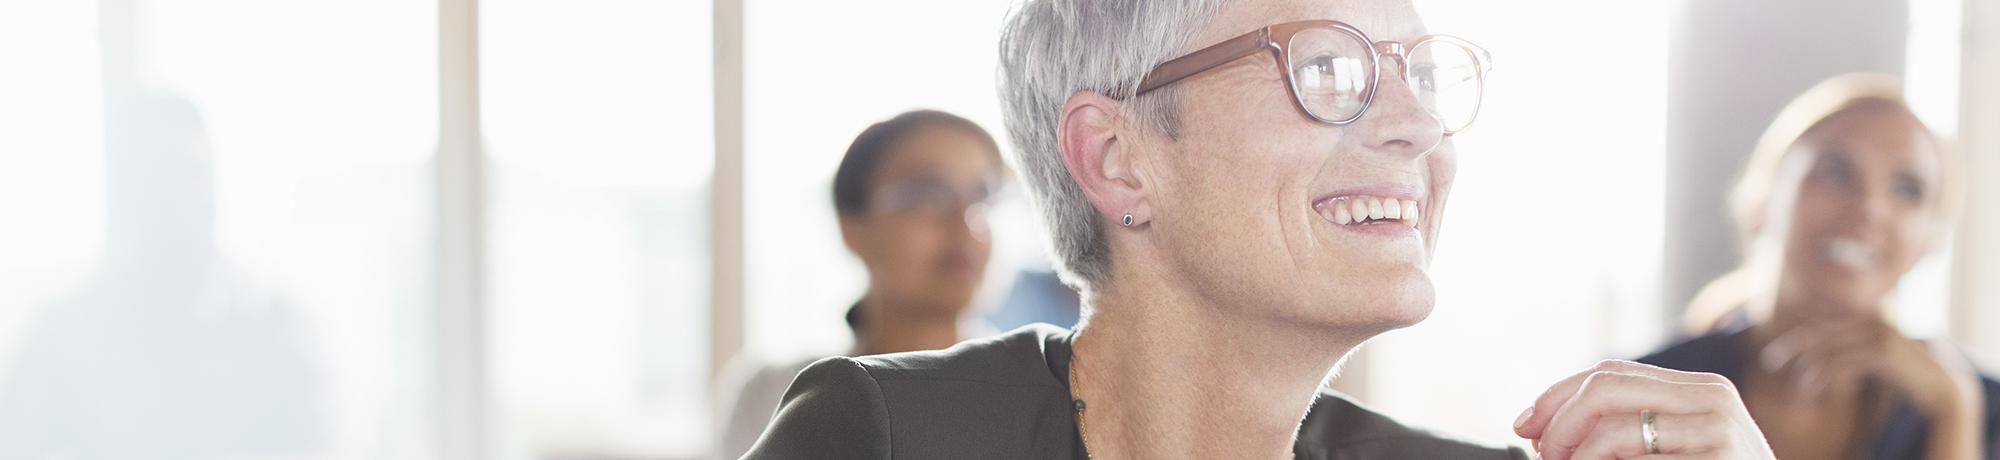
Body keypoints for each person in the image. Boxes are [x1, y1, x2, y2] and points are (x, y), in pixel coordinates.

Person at [745, 0, 1779, 458]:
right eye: (1327, 67)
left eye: (1421, 74)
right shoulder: (890, 437)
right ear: (1117, 157)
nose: (1418, 125)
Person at [1640, 74, 1997, 459]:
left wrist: (1954, 413)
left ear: (1932, 239)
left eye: (1907, 188)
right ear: (1761, 199)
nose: (1869, 207)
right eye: (1835, 172)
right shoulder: (1649, 392)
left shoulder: (1982, 409)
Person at [711, 109, 1011, 459]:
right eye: (928, 195)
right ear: (852, 227)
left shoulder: (1037, 394)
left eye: (982, 197)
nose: (965, 224)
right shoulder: (777, 397)